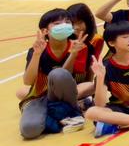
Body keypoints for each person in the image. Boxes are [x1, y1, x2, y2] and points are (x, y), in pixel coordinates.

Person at [18, 10, 93, 138]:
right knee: (29, 130)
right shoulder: (37, 50)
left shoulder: (79, 46)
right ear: (45, 31)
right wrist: (36, 55)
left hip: (65, 95)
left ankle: (66, 111)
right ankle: (66, 114)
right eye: (57, 23)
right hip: (40, 97)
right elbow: (28, 81)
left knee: (58, 74)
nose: (64, 25)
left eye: (67, 22)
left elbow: (65, 76)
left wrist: (73, 54)